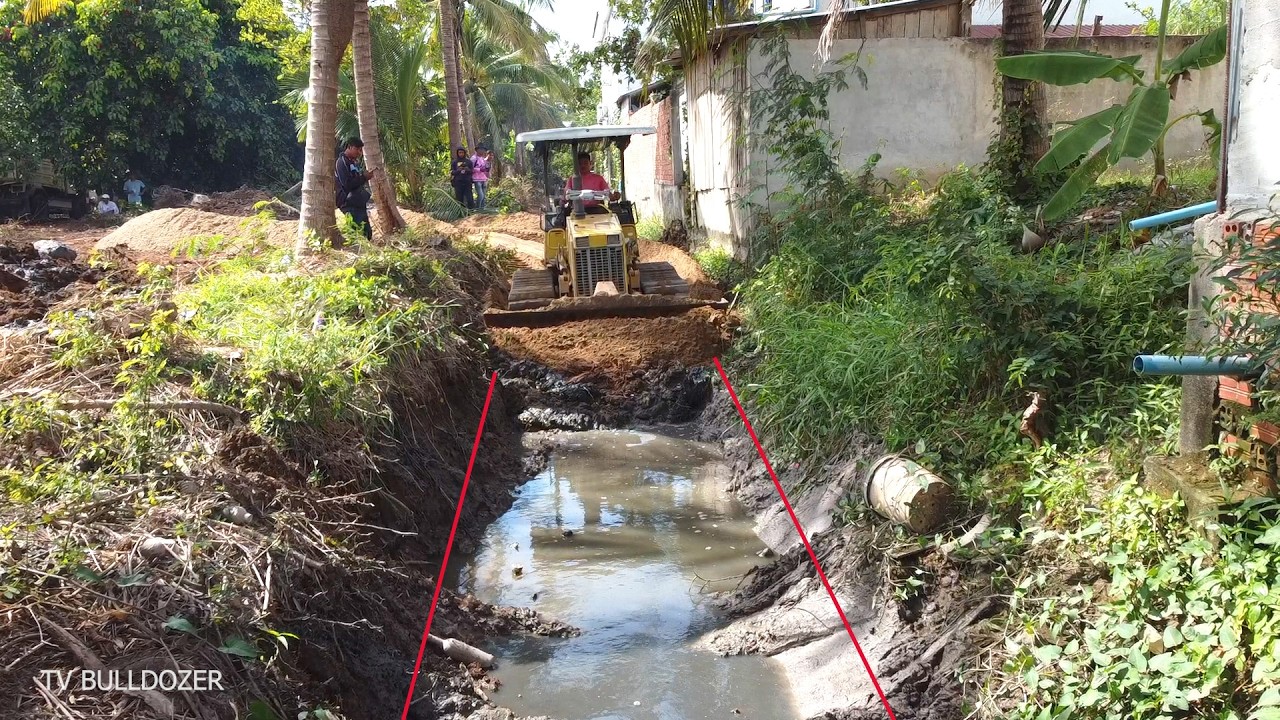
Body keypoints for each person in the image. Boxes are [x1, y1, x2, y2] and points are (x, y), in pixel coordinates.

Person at [334, 137, 378, 240]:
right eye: (357, 149)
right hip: (348, 203)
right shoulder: (341, 162)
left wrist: (364, 177)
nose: (359, 152)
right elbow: (347, 184)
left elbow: (356, 181)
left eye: (361, 150)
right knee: (358, 232)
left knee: (366, 232)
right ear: (349, 147)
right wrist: (364, 177)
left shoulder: (352, 162)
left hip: (357, 202)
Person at [470, 145, 491, 211]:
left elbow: (485, 168)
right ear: (477, 150)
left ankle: (482, 209)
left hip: (483, 178)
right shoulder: (473, 158)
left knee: (483, 196)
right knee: (480, 195)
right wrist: (479, 169)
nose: (483, 151)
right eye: (481, 150)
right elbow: (470, 169)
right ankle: (477, 209)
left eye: (484, 150)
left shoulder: (482, 159)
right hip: (477, 179)